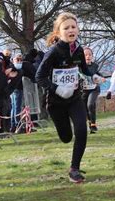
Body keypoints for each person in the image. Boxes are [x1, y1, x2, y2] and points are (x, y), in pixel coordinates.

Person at [36, 12, 99, 183]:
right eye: (66, 28)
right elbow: (39, 76)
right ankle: (65, 137)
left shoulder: (79, 50)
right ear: (58, 32)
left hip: (74, 98)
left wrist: (93, 77)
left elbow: (85, 69)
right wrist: (57, 88)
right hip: (56, 102)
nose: (71, 30)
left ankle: (74, 169)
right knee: (66, 137)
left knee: (81, 130)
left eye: (73, 27)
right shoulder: (53, 52)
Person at [81, 47, 105, 133]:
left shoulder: (95, 65)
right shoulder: (79, 66)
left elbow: (97, 74)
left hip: (94, 89)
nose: (88, 56)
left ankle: (93, 124)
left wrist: (102, 78)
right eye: (85, 55)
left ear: (92, 56)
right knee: (85, 108)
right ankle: (90, 124)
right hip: (84, 90)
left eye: (89, 55)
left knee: (90, 104)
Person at [11, 54, 24, 130]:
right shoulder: (13, 68)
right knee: (16, 107)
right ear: (13, 60)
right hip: (16, 89)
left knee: (14, 107)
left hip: (16, 89)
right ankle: (17, 124)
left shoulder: (19, 68)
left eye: (20, 60)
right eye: (17, 59)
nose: (19, 61)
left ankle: (13, 125)